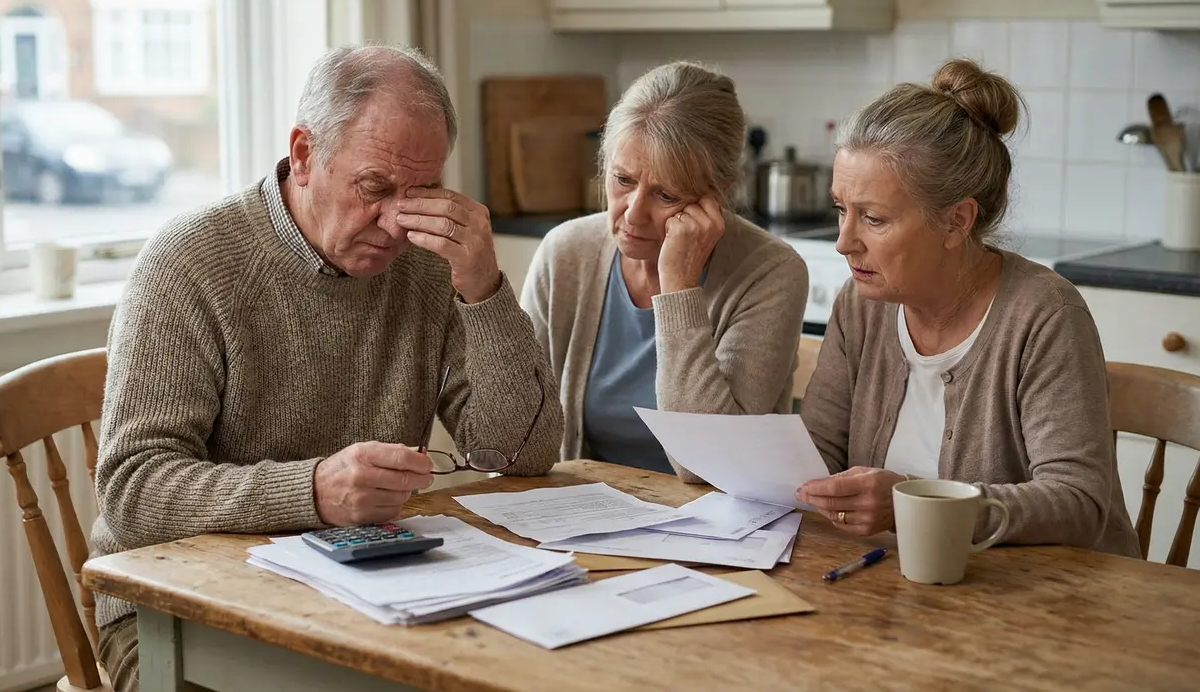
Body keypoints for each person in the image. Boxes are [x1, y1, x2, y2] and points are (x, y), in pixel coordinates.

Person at [90, 43, 564, 690]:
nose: (397, 221)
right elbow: (132, 491)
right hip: (177, 609)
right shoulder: (188, 264)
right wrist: (312, 492)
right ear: (306, 154)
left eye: (421, 191)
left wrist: (483, 289)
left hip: (364, 590)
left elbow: (520, 453)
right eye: (375, 187)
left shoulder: (427, 262)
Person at [796, 58, 1139, 557]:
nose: (844, 242)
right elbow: (818, 453)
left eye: (872, 217)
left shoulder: (1045, 315)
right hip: (897, 588)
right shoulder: (861, 304)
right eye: (840, 210)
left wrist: (914, 503)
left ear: (957, 221)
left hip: (1050, 605)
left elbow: (1079, 503)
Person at [520, 61, 809, 479]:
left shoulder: (770, 272)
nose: (633, 215)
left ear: (718, 194)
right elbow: (519, 436)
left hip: (716, 527)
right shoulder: (566, 253)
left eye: (665, 194)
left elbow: (711, 467)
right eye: (622, 180)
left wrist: (678, 287)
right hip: (583, 517)